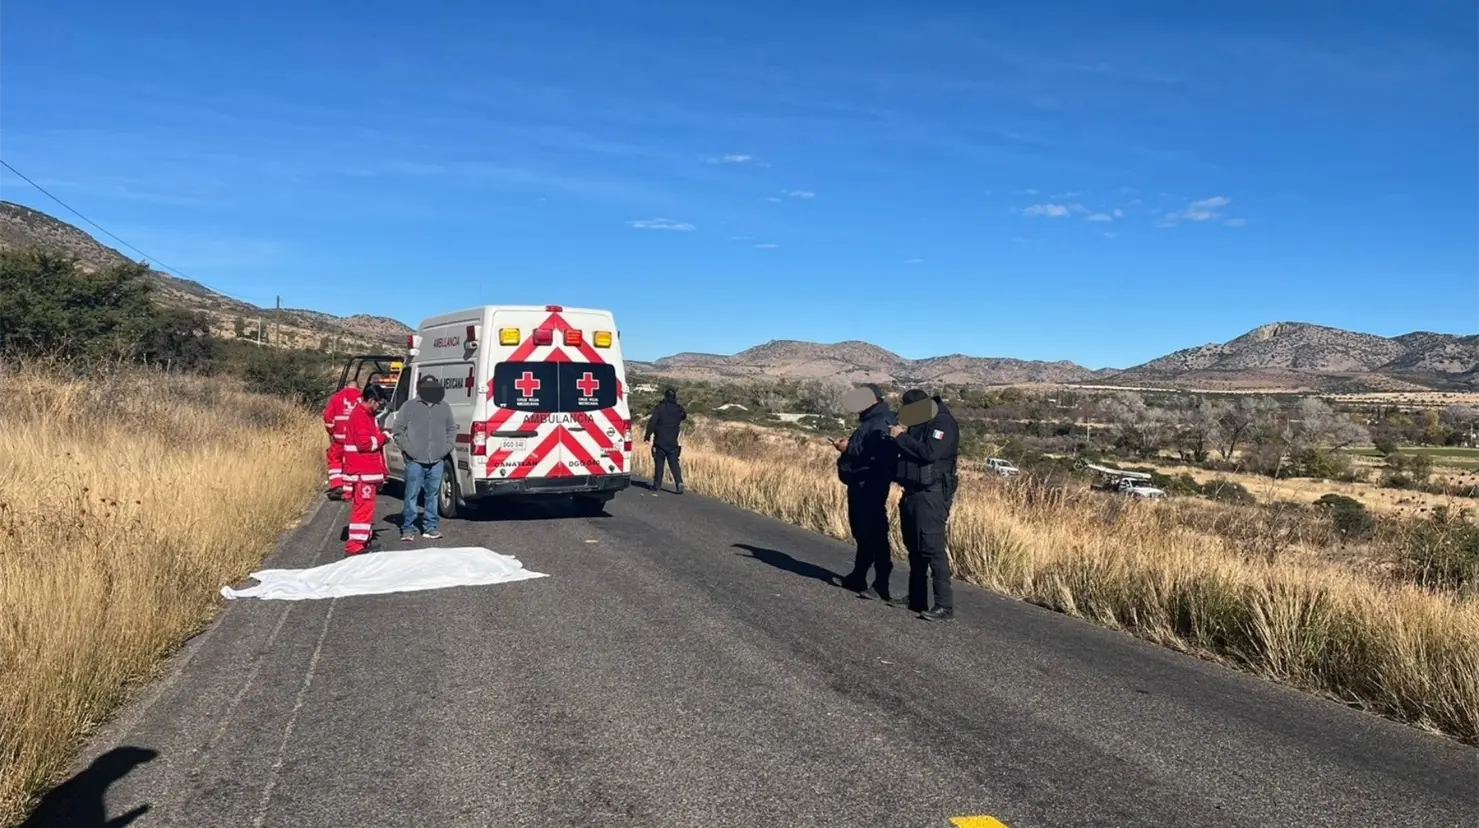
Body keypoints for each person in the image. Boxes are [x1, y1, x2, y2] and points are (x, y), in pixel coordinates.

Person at [889, 389, 960, 621]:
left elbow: (930, 453)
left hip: (932, 494)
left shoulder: (943, 424)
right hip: (913, 491)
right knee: (915, 547)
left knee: (932, 547)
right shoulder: (921, 422)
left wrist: (901, 437)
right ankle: (917, 597)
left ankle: (944, 605)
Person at [833, 385, 899, 601]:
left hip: (870, 483)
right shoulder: (872, 420)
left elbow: (877, 454)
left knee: (875, 532)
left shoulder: (882, 422)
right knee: (862, 531)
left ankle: (881, 583)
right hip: (860, 482)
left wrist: (848, 449)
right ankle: (858, 576)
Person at [393, 374, 458, 541]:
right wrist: (408, 449)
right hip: (415, 460)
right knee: (411, 494)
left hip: (437, 460)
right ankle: (408, 528)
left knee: (433, 495)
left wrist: (446, 448)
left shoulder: (444, 406)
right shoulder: (409, 406)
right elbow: (398, 430)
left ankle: (430, 527)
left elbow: (451, 429)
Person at [342, 384, 394, 555]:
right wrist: (383, 438)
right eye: (379, 403)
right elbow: (365, 443)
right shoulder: (360, 416)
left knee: (364, 508)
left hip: (364, 469)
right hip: (362, 470)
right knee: (363, 509)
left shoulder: (366, 415)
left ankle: (362, 539)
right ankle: (356, 545)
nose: (380, 407)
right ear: (371, 400)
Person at [321, 384, 362, 500]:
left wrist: (331, 431)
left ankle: (337, 484)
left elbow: (328, 417)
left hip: (339, 438)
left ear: (345, 386)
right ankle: (353, 488)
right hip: (355, 439)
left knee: (335, 459)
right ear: (357, 387)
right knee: (354, 462)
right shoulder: (362, 397)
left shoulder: (336, 397)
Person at [644, 388, 688, 494]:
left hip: (660, 441)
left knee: (659, 463)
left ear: (665, 396)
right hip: (673, 441)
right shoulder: (679, 409)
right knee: (674, 463)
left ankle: (657, 485)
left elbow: (652, 423)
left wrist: (647, 436)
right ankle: (679, 482)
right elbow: (684, 416)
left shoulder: (660, 408)